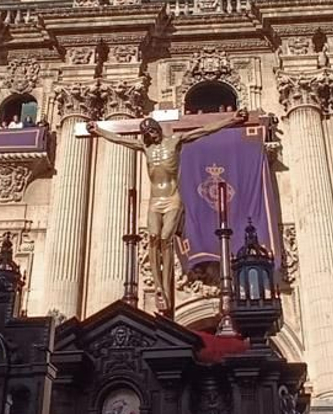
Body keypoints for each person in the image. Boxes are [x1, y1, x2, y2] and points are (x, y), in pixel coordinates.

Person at [91, 109, 247, 312]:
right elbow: (120, 140)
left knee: (166, 238)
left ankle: (165, 285)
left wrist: (231, 119)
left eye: (152, 132)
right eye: (146, 133)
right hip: (155, 201)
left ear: (157, 130)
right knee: (153, 239)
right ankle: (159, 288)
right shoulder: (145, 148)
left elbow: (205, 130)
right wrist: (99, 131)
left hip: (172, 198)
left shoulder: (175, 141)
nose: (150, 136)